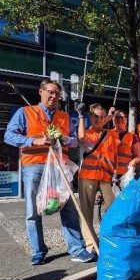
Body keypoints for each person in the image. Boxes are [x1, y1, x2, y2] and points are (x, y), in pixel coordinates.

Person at [4, 79, 93, 265]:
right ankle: (38, 251)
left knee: (68, 208)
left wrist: (65, 138)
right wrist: (34, 141)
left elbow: (76, 142)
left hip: (60, 166)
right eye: (50, 92)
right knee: (33, 211)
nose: (53, 96)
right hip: (34, 166)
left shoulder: (64, 116)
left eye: (57, 94)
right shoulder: (25, 112)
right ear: (41, 91)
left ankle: (77, 248)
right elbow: (9, 136)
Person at [78, 103, 117, 256]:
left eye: (101, 117)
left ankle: (112, 238)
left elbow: (114, 157)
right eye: (95, 116)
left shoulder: (110, 134)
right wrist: (80, 115)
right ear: (90, 117)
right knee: (86, 211)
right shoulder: (87, 133)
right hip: (87, 177)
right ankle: (91, 244)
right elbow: (81, 137)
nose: (98, 119)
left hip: (106, 177)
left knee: (113, 208)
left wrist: (115, 175)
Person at [111, 110, 140, 178]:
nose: (119, 120)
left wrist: (134, 161)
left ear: (126, 120)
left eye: (122, 117)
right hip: (109, 173)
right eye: (117, 117)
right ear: (113, 120)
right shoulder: (107, 134)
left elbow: (138, 156)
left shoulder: (133, 137)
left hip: (126, 174)